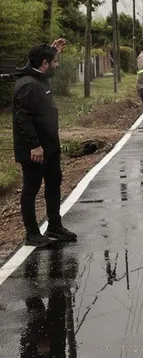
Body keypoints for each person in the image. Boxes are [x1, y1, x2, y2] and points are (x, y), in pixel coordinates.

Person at [12, 40, 78, 247]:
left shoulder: (40, 77)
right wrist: (34, 145)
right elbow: (24, 119)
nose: (57, 65)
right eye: (55, 61)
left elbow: (34, 64)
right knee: (31, 188)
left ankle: (54, 226)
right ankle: (32, 233)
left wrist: (53, 51)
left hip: (49, 145)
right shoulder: (29, 85)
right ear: (44, 63)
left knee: (53, 183)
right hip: (35, 149)